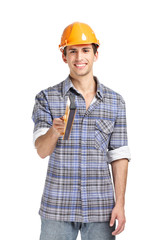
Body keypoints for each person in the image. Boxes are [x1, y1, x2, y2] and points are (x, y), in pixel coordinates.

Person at [32, 22, 131, 240]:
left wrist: (120, 203)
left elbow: (119, 155)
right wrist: (54, 132)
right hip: (57, 206)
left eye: (85, 50)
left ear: (96, 54)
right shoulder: (46, 98)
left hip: (101, 208)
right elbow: (41, 150)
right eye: (72, 51)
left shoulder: (115, 102)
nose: (79, 58)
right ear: (64, 56)